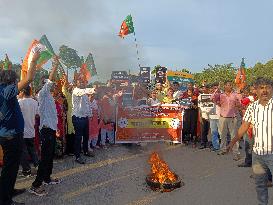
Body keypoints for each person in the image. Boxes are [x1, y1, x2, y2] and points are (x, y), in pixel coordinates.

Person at [0, 51, 40, 205]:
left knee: (11, 167)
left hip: (8, 135)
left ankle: (8, 190)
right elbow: (29, 78)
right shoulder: (7, 90)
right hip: (11, 136)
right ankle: (5, 200)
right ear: (11, 81)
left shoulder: (3, 90)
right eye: (16, 80)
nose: (18, 82)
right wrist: (33, 60)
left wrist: (6, 65)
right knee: (10, 168)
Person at [228, 77, 273, 205]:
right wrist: (232, 142)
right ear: (256, 91)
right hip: (258, 154)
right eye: (261, 88)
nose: (264, 90)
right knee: (260, 185)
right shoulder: (252, 107)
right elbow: (244, 126)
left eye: (268, 87)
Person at [30, 57, 61, 197]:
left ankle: (47, 178)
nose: (53, 85)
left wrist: (57, 128)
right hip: (46, 130)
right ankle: (36, 185)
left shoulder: (48, 96)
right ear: (44, 83)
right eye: (50, 83)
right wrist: (54, 65)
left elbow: (52, 115)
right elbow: (50, 78)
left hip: (51, 129)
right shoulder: (42, 93)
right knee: (45, 158)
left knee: (49, 156)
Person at [211, 80, 242, 160]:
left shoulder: (235, 95)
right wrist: (216, 90)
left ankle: (236, 152)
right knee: (222, 135)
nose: (229, 86)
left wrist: (237, 104)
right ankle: (223, 150)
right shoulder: (220, 95)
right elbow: (212, 99)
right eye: (227, 85)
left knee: (233, 136)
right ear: (224, 86)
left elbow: (240, 103)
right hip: (222, 117)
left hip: (233, 118)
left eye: (230, 85)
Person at [72, 77, 94, 164]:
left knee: (86, 136)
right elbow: (82, 91)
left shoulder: (84, 94)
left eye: (83, 82)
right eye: (79, 82)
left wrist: (90, 114)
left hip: (84, 118)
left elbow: (87, 105)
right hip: (78, 118)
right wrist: (93, 89)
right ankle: (77, 156)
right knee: (78, 138)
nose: (81, 83)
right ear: (76, 83)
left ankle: (85, 151)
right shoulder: (76, 91)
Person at [18, 86, 39, 177]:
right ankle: (37, 166)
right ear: (30, 92)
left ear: (22, 92)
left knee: (23, 151)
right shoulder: (34, 102)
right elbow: (38, 115)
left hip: (22, 130)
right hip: (31, 129)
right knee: (32, 150)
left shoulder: (19, 102)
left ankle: (26, 170)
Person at [198, 85, 211, 149]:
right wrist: (200, 116)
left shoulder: (211, 96)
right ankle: (203, 143)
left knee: (209, 130)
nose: (203, 89)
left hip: (211, 115)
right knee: (203, 130)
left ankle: (209, 143)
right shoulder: (200, 96)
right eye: (202, 88)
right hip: (203, 115)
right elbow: (199, 107)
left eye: (205, 88)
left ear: (208, 89)